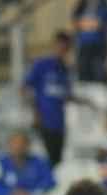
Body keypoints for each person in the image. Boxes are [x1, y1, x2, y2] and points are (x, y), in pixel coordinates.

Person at [23, 33, 76, 167]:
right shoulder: (42, 64)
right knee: (45, 159)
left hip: (60, 122)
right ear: (53, 46)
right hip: (44, 120)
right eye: (59, 47)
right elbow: (25, 88)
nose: (61, 51)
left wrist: (86, 102)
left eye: (65, 48)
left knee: (57, 161)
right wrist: (35, 112)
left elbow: (66, 95)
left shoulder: (65, 69)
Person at [73, 1, 107, 85]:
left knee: (98, 74)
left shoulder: (105, 6)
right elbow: (76, 22)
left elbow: (105, 25)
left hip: (99, 46)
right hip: (83, 45)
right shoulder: (81, 6)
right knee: (83, 73)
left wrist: (87, 24)